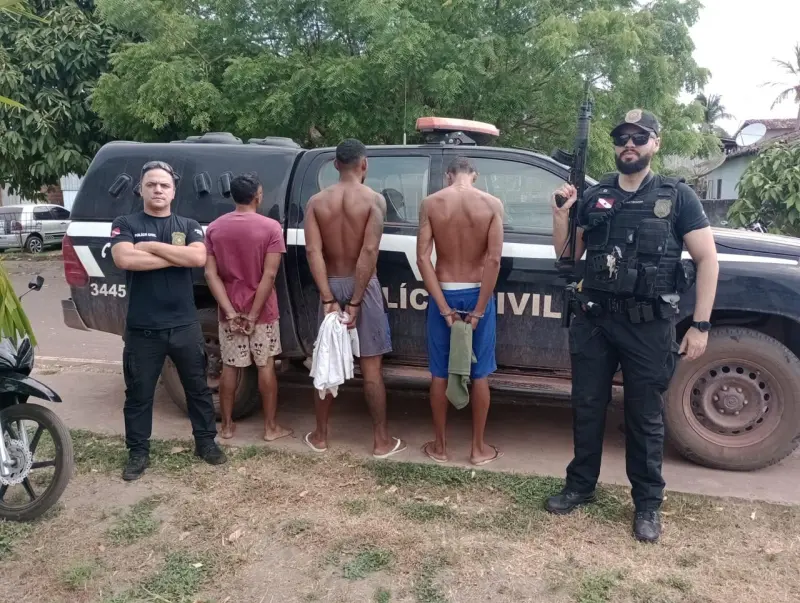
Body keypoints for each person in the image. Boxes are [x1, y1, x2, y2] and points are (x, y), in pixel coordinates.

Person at [547, 109, 719, 542]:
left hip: (648, 325)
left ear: (655, 144)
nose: (629, 144)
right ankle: (580, 486)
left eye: (639, 138)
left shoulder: (677, 196)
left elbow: (707, 260)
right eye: (622, 137)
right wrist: (562, 214)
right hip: (595, 320)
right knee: (587, 406)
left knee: (644, 416)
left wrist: (700, 325)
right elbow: (568, 257)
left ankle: (647, 504)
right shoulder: (595, 194)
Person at [110, 161, 227, 481]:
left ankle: (206, 443)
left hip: (184, 325)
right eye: (151, 185)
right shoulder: (125, 222)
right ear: (141, 190)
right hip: (142, 328)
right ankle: (138, 453)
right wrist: (175, 256)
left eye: (164, 185)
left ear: (174, 191)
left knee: (198, 389)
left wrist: (149, 247)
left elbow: (197, 257)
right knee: (138, 394)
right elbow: (124, 258)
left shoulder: (188, 224)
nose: (158, 190)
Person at [302, 138, 407, 458]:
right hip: (364, 287)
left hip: (330, 285)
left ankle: (321, 436)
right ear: (364, 164)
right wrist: (357, 301)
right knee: (371, 369)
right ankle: (381, 441)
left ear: (336, 165)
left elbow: (313, 251)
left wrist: (328, 298)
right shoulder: (374, 200)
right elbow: (369, 250)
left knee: (326, 362)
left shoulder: (316, 202)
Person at [416, 157, 504, 466]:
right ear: (474, 175)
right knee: (480, 374)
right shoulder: (492, 204)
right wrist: (479, 311)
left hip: (445, 292)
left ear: (448, 175)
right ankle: (477, 449)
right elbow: (494, 260)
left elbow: (423, 259)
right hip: (478, 292)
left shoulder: (431, 203)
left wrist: (443, 309)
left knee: (440, 372)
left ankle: (440, 447)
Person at [204, 173, 293, 442]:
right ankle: (270, 428)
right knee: (265, 365)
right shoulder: (271, 228)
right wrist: (253, 315)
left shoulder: (215, 228)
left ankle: (226, 427)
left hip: (229, 310)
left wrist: (231, 312)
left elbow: (210, 274)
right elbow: (269, 275)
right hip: (263, 312)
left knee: (230, 366)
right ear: (258, 196)